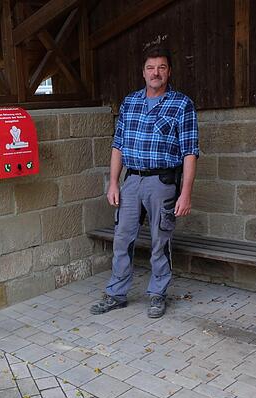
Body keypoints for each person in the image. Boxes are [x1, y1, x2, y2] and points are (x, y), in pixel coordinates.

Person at [90, 42, 199, 318]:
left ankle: (157, 294)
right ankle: (116, 293)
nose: (156, 72)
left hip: (161, 183)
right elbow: (118, 145)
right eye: (151, 67)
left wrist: (186, 193)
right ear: (143, 72)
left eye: (161, 67)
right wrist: (113, 182)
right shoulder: (130, 102)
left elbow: (190, 152)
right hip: (132, 181)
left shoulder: (181, 104)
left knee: (159, 241)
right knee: (122, 238)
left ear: (169, 71)